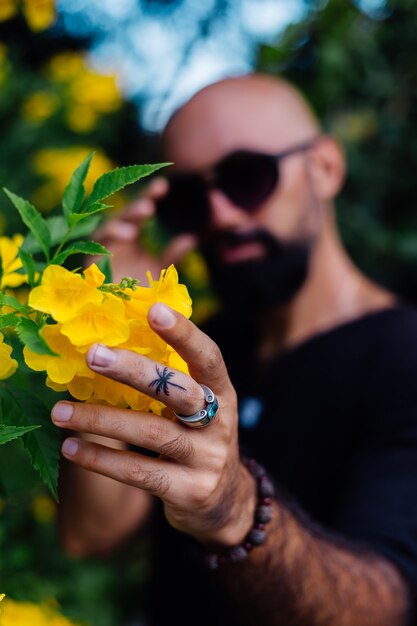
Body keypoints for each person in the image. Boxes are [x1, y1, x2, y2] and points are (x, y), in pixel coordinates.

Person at [50, 73, 417, 626]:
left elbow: (384, 609)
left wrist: (238, 511)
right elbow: (92, 535)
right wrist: (106, 333)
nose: (220, 214)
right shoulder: (200, 347)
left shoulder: (404, 356)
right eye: (191, 198)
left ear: (325, 168)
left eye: (247, 177)